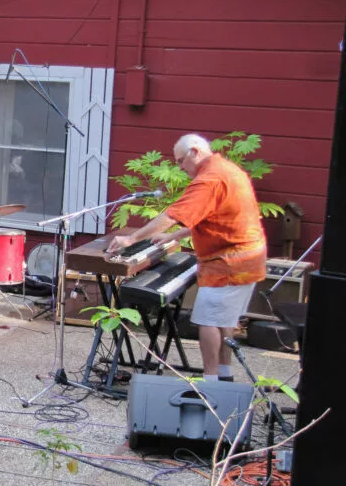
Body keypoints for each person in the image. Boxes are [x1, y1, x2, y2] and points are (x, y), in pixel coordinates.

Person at [108, 134, 267, 382]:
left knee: (207, 321)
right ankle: (224, 378)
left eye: (181, 161)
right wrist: (178, 234)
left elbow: (172, 215)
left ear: (195, 152)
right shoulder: (227, 169)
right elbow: (219, 216)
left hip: (228, 263)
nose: (181, 167)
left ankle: (210, 383)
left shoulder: (209, 179)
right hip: (246, 259)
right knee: (224, 320)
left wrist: (131, 239)